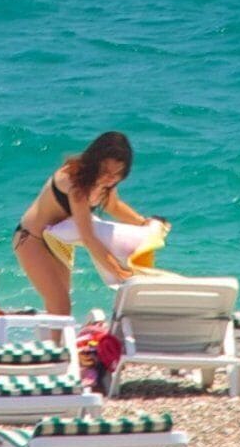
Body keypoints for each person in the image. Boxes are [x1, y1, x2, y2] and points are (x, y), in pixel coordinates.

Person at [13, 133, 163, 314]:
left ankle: (54, 340)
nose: (110, 178)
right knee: (60, 303)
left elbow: (113, 206)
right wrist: (119, 272)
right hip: (31, 240)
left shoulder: (104, 182)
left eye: (117, 174)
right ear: (95, 161)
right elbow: (88, 237)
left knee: (61, 305)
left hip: (58, 242)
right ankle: (56, 342)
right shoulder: (75, 181)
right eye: (106, 172)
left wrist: (144, 223)